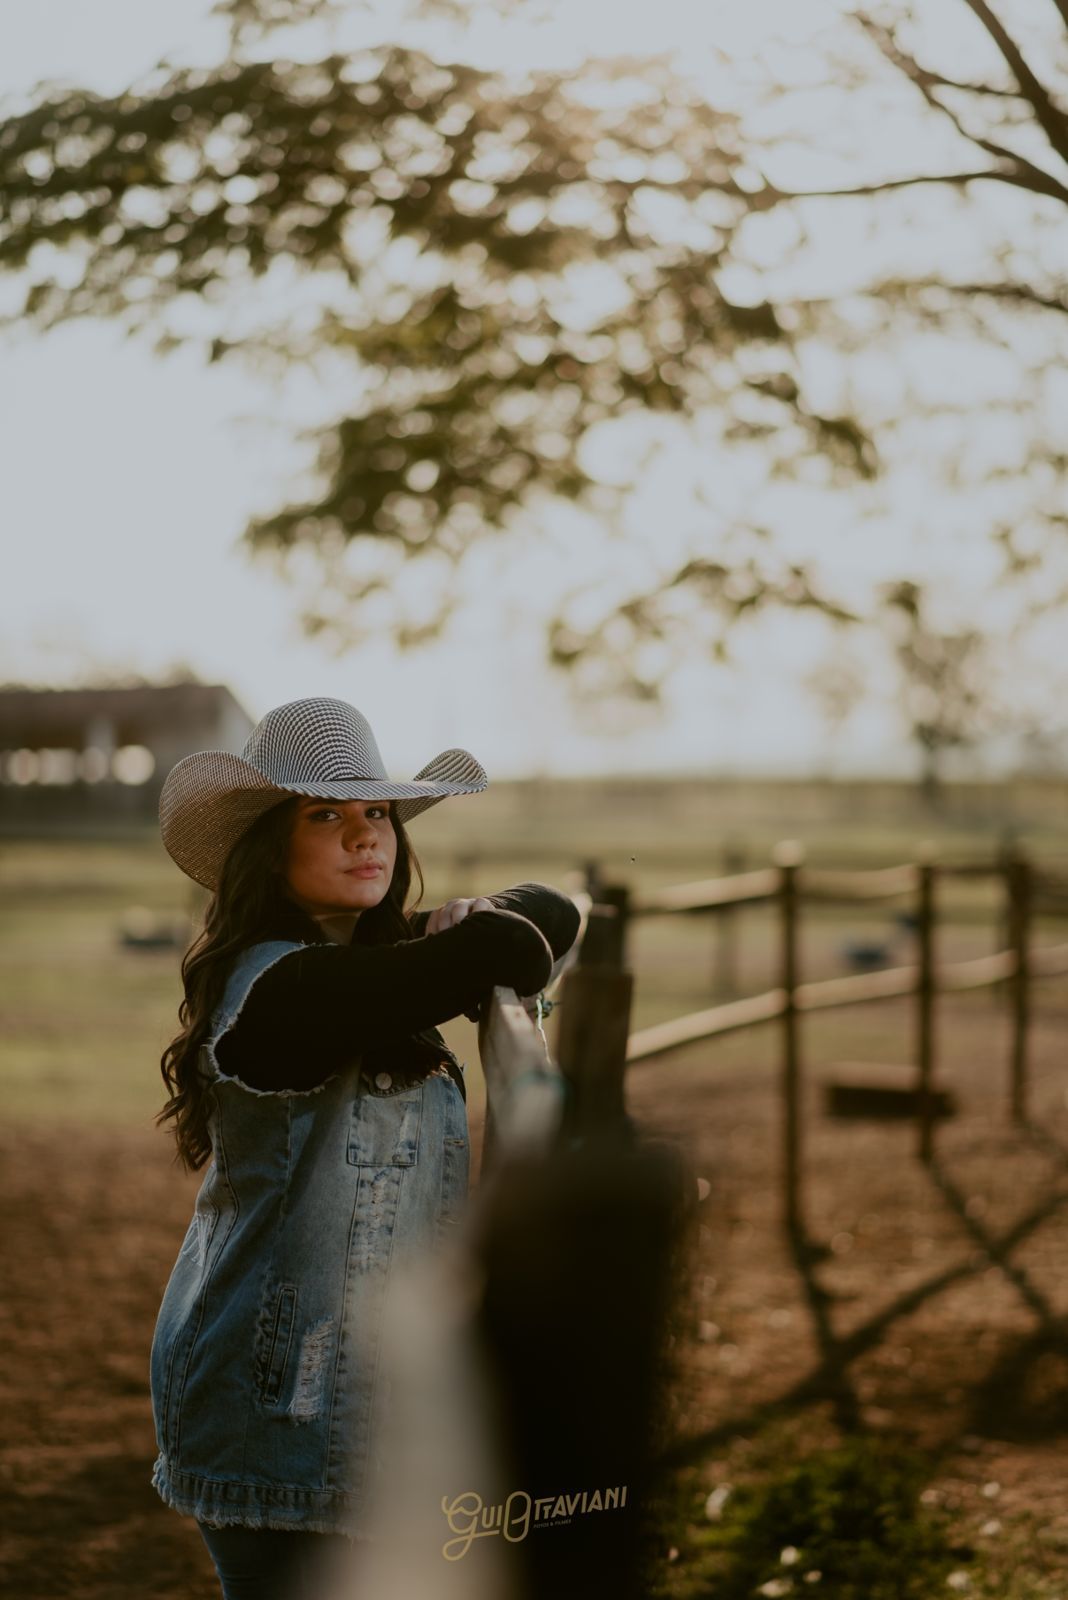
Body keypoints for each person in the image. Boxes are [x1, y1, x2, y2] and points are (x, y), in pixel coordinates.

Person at [148, 696, 581, 1600]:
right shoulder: (279, 987)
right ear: (271, 844)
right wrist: (461, 936)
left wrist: (450, 932)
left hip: (343, 1392)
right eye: (325, 814)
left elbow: (551, 914)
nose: (363, 837)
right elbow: (515, 945)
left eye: (376, 813)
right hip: (273, 1407)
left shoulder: (372, 973)